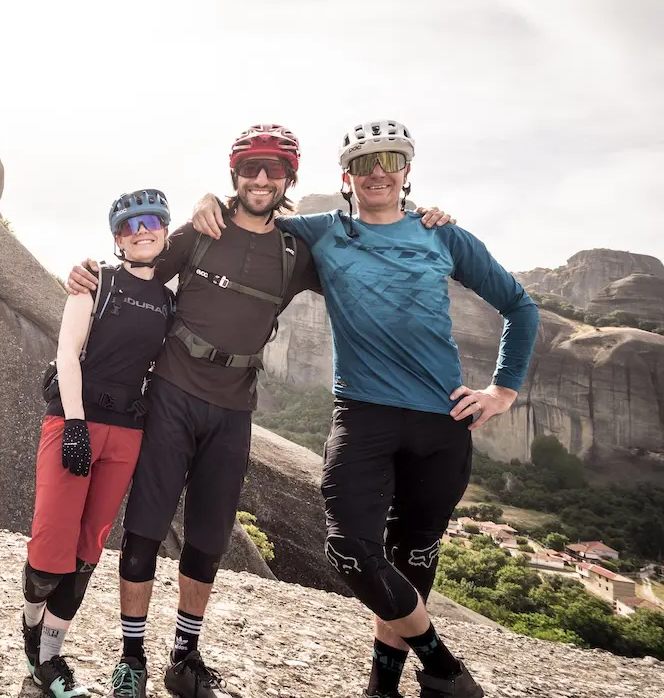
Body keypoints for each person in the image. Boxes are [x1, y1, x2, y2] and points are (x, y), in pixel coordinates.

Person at [65, 125, 453, 698]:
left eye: (274, 169)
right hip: (172, 394)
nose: (262, 178)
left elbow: (367, 256)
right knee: (145, 531)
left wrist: (421, 217)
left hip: (233, 407)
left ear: (289, 178)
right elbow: (137, 263)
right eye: (251, 168)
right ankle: (131, 660)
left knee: (207, 539)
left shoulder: (297, 251)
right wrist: (87, 275)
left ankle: (185, 659)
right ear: (235, 176)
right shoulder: (201, 231)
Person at [191, 120, 538, 698]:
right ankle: (445, 666)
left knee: (415, 554)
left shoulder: (445, 237)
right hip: (364, 414)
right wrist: (210, 199)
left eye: (390, 161)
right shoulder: (322, 231)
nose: (378, 173)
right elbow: (255, 210)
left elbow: (520, 308)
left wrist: (503, 390)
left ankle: (384, 686)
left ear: (406, 172)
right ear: (346, 176)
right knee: (350, 549)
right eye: (364, 163)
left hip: (443, 420)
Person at [21, 188, 175, 698]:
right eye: (131, 226)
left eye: (152, 221)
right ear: (118, 239)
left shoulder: (169, 301)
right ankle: (30, 625)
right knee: (50, 548)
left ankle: (50, 659)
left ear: (166, 231)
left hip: (128, 433)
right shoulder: (96, 283)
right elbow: (67, 353)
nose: (143, 230)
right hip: (74, 421)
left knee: (88, 550)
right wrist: (77, 424)